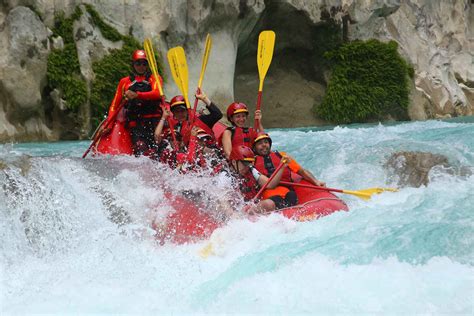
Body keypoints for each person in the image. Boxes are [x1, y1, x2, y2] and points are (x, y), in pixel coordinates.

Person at [105, 49, 163, 156]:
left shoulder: (155, 78)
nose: (141, 66)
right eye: (138, 63)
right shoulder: (125, 82)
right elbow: (114, 104)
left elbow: (158, 93)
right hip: (136, 123)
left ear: (147, 65)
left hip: (155, 122)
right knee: (140, 148)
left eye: (144, 64)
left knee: (157, 151)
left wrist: (137, 95)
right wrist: (109, 124)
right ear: (133, 65)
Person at [229, 145, 294, 213]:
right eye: (244, 164)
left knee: (284, 197)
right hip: (240, 211)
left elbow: (270, 185)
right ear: (234, 162)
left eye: (249, 164)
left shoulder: (251, 170)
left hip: (253, 206)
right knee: (268, 204)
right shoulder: (224, 176)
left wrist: (282, 167)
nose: (247, 167)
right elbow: (223, 203)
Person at [252, 132, 326, 187]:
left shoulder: (282, 156)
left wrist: (316, 182)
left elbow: (301, 171)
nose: (264, 145)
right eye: (260, 143)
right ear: (255, 148)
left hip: (286, 190)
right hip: (267, 192)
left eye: (266, 142)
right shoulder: (252, 162)